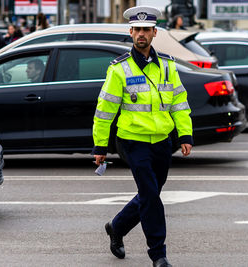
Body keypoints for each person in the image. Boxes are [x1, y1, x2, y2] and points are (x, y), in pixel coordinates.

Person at [92, 5, 193, 267]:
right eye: (137, 29)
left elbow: (179, 103)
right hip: (132, 141)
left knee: (151, 193)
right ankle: (158, 254)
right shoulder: (119, 69)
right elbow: (104, 111)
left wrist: (185, 135)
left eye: (146, 30)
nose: (141, 34)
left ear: (154, 32)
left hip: (162, 141)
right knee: (150, 194)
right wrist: (100, 145)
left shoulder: (169, 67)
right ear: (131, 32)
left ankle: (117, 227)